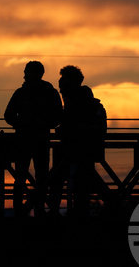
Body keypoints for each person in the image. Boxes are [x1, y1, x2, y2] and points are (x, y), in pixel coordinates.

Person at [4, 61, 62, 216]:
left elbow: (8, 115)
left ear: (35, 74)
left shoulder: (22, 93)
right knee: (38, 177)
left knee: (25, 177)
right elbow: (58, 116)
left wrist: (24, 123)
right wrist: (39, 124)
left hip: (29, 140)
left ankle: (24, 211)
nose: (24, 75)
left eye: (26, 72)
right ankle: (36, 209)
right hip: (37, 140)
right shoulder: (49, 92)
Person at [50, 65, 106, 217]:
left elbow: (73, 121)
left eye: (63, 85)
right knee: (83, 180)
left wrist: (64, 128)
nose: (61, 90)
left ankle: (60, 212)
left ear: (72, 82)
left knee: (62, 179)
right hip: (81, 148)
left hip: (77, 148)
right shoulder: (82, 99)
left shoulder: (78, 100)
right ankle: (85, 212)